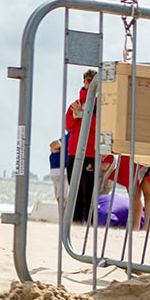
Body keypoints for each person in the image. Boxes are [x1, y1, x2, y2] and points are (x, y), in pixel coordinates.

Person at [64, 69, 100, 223]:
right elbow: (68, 126)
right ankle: (76, 223)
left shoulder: (100, 106)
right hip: (74, 152)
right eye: (87, 82)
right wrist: (75, 115)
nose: (90, 85)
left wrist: (85, 115)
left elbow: (98, 127)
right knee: (75, 191)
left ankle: (91, 226)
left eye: (93, 82)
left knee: (89, 192)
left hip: (90, 153)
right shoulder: (77, 104)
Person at [49, 139, 66, 210]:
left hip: (60, 171)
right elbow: (52, 145)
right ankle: (62, 218)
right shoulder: (66, 138)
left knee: (62, 196)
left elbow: (52, 146)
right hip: (57, 171)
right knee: (60, 196)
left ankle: (63, 218)